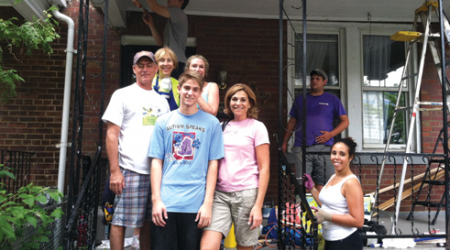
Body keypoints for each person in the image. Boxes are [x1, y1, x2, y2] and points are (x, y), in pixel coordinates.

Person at [148, 71, 225, 250]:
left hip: (195, 204)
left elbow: (214, 164)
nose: (190, 93)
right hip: (166, 203)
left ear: (200, 93)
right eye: (187, 88)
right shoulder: (163, 121)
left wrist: (208, 203)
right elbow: (156, 162)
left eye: (195, 89)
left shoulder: (212, 124)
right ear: (179, 89)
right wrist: (156, 200)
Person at [102, 51, 170, 250]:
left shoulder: (162, 102)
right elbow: (112, 135)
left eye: (149, 65)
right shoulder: (122, 95)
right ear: (134, 70)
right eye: (140, 66)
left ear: (156, 69)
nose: (145, 69)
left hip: (156, 172)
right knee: (120, 220)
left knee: (150, 222)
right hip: (130, 169)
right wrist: (115, 172)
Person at [201, 83, 270, 250]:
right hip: (220, 194)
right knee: (207, 246)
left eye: (243, 100)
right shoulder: (221, 126)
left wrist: (258, 206)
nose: (238, 103)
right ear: (228, 102)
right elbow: (212, 161)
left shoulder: (257, 127)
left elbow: (264, 168)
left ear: (250, 104)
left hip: (246, 194)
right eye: (234, 99)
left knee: (244, 246)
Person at [282, 69, 349, 192]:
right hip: (302, 147)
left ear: (324, 82)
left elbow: (345, 121)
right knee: (302, 183)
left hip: (324, 147)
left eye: (318, 78)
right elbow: (292, 121)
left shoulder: (332, 100)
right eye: (312, 78)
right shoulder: (300, 99)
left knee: (323, 184)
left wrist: (330, 135)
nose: (314, 81)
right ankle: (302, 209)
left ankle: (321, 211)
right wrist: (285, 141)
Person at [309, 138, 364, 250]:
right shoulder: (333, 177)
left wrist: (327, 216)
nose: (336, 157)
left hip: (345, 241)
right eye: (334, 153)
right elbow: (328, 206)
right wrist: (312, 188)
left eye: (342, 154)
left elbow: (358, 221)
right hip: (330, 239)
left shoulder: (350, 183)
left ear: (350, 157)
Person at [143, 0, 189, 79]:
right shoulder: (172, 21)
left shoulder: (179, 13)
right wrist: (151, 24)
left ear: (181, 2)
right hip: (170, 62)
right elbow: (160, 42)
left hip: (177, 62)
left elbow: (154, 7)